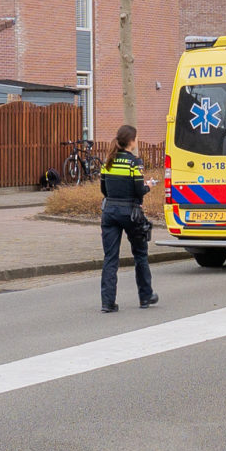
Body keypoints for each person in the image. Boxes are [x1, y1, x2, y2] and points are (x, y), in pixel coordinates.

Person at [97, 124, 156, 312]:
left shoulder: (108, 162)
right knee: (140, 254)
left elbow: (104, 190)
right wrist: (149, 186)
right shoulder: (134, 163)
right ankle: (145, 297)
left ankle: (108, 302)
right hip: (130, 213)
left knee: (110, 258)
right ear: (131, 141)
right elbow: (139, 190)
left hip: (109, 212)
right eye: (136, 138)